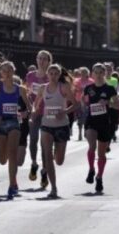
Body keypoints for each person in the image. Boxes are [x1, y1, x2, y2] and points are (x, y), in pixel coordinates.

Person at [0, 61, 31, 200]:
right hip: (0, 124)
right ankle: (13, 181)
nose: (7, 72)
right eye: (4, 70)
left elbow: (29, 107)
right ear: (1, 73)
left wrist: (25, 113)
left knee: (12, 153)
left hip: (14, 123)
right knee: (2, 160)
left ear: (14, 71)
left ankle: (12, 185)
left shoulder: (20, 89)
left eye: (10, 70)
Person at [33, 64, 75, 198]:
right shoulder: (42, 88)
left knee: (59, 161)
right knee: (47, 156)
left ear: (59, 74)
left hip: (62, 125)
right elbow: (36, 104)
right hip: (46, 125)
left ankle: (57, 152)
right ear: (47, 74)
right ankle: (54, 188)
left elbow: (76, 104)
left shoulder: (64, 87)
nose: (53, 76)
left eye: (56, 73)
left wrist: (65, 112)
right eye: (50, 73)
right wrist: (34, 112)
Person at [83, 63, 119, 192]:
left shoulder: (110, 89)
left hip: (104, 122)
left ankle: (99, 177)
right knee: (91, 146)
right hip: (91, 121)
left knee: (102, 154)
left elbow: (118, 106)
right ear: (92, 74)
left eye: (101, 72)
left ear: (105, 74)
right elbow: (84, 101)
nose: (98, 75)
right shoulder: (88, 88)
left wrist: (108, 103)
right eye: (96, 72)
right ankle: (91, 169)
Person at [25, 50, 52, 188]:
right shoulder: (30, 76)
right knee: (33, 139)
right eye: (39, 58)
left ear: (49, 61)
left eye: (44, 59)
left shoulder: (51, 76)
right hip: (34, 113)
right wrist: (28, 108)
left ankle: (45, 171)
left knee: (45, 144)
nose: (41, 61)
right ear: (36, 60)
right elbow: (27, 93)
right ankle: (34, 163)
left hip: (47, 114)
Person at [73, 67, 94, 141]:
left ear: (87, 73)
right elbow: (74, 90)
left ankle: (85, 131)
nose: (83, 74)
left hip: (88, 101)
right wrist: (78, 90)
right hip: (78, 100)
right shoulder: (76, 81)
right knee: (79, 118)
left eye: (85, 72)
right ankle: (79, 132)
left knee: (87, 117)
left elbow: (93, 91)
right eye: (82, 72)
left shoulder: (91, 81)